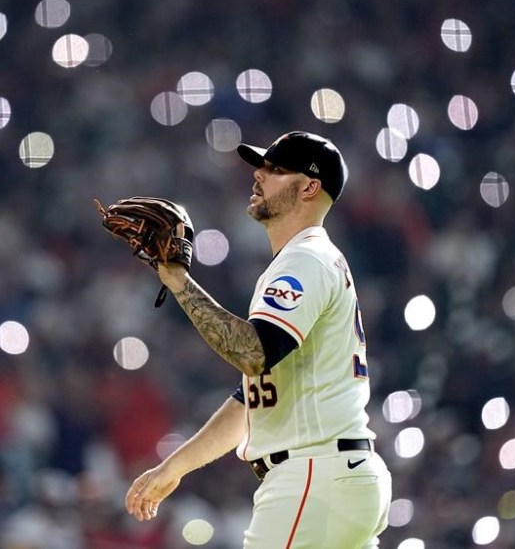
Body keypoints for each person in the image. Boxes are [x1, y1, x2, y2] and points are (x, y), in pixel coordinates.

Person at [124, 131, 392, 548]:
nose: (259, 175)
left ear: (309, 187)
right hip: (339, 476)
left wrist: (177, 281)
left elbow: (253, 354)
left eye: (277, 169)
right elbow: (251, 399)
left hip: (311, 474)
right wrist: (174, 467)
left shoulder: (306, 259)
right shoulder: (311, 260)